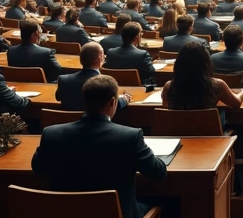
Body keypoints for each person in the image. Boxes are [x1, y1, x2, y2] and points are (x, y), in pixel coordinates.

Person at [32, 75, 166, 218]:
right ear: (113, 102)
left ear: (85, 100)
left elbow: (38, 168)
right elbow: (158, 173)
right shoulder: (130, 137)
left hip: (67, 212)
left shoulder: (51, 134)